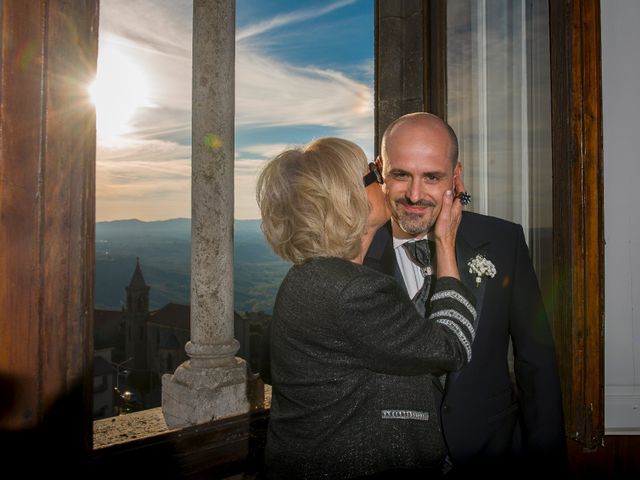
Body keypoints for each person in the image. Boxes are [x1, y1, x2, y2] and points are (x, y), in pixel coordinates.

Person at [257, 137, 477, 479]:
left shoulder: (308, 276)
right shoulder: (353, 290)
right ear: (350, 200)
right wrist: (445, 244)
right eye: (374, 173)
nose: (384, 182)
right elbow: (453, 345)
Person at [364, 112, 566, 475]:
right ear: (380, 172)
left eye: (432, 177)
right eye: (400, 175)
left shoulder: (504, 243)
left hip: (492, 454)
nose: (414, 194)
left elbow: (536, 363)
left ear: (456, 177)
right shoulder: (355, 256)